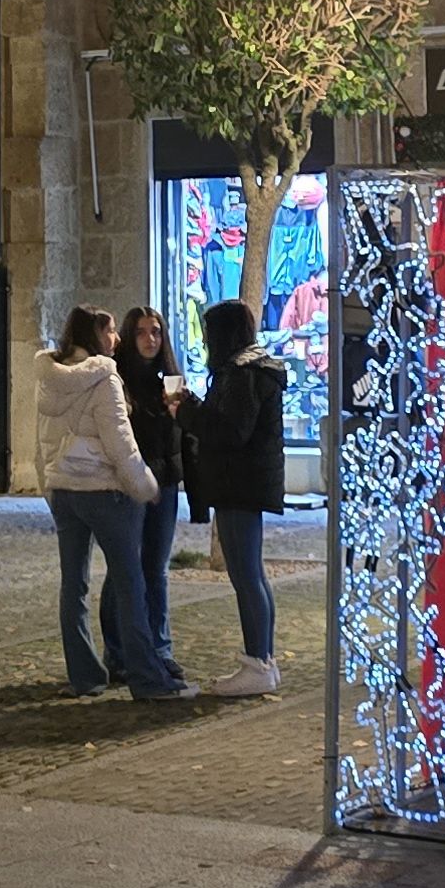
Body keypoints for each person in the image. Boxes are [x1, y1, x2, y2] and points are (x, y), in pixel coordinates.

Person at [35, 308, 192, 701]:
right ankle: (145, 676)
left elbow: (41, 441)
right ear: (97, 334)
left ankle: (85, 675)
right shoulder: (105, 377)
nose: (117, 340)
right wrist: (146, 486)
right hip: (103, 491)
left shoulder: (49, 379)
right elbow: (120, 444)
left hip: (64, 490)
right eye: (111, 331)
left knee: (74, 583)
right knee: (130, 581)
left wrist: (49, 487)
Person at [186, 299, 290, 698]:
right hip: (246, 482)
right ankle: (263, 659)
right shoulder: (253, 370)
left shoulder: (242, 374)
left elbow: (230, 431)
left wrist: (190, 411)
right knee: (252, 574)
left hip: (238, 483)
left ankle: (258, 661)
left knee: (246, 575)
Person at [115, 307, 191, 674]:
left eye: (156, 332)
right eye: (143, 332)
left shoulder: (170, 382)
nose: (150, 339)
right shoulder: (118, 381)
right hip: (131, 483)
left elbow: (177, 440)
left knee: (156, 568)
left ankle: (160, 648)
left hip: (165, 484)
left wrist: (182, 410)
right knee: (125, 569)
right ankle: (119, 652)